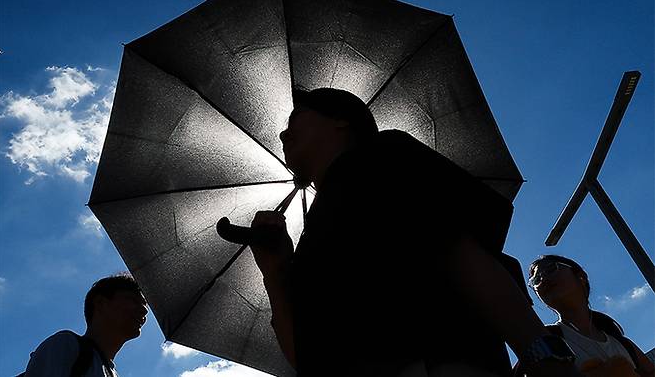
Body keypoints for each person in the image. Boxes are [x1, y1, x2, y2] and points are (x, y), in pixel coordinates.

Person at [248, 88, 582, 376]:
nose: (283, 134)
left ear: (341, 120)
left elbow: (463, 255)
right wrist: (275, 273)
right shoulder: (308, 242)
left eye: (298, 116)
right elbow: (309, 359)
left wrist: (541, 354)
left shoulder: (384, 156)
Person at [522, 255, 654, 376]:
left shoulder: (624, 344)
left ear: (581, 277)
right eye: (536, 280)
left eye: (551, 269)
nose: (543, 279)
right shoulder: (544, 339)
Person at [23, 273, 148, 376]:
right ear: (100, 303)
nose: (145, 310)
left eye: (145, 304)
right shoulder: (66, 345)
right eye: (133, 300)